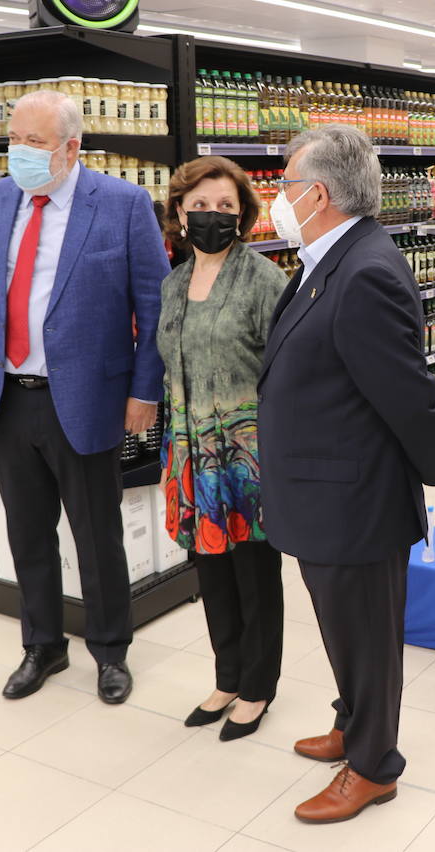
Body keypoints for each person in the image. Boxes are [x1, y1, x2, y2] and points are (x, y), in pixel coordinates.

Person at [257, 125, 435, 823]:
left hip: (356, 499)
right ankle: (351, 719)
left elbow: (407, 393)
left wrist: (423, 473)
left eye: (283, 184)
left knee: (366, 634)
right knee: (341, 627)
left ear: (317, 193)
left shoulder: (366, 270)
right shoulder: (325, 256)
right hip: (321, 491)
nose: (276, 197)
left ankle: (373, 766)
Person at [0, 91, 168, 704]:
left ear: (71, 148)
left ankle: (110, 651)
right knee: (27, 532)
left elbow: (153, 309)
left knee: (96, 534)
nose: (19, 152)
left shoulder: (123, 205)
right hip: (10, 396)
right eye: (14, 139)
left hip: (84, 397)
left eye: (35, 142)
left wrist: (144, 392)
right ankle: (42, 645)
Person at [157, 156, 287, 742]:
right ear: (180, 211)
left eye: (226, 207)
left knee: (255, 572)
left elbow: (287, 369)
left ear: (244, 216)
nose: (212, 215)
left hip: (249, 456)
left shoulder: (263, 280)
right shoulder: (174, 283)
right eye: (201, 206)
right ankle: (226, 675)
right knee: (211, 570)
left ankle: (258, 687)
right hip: (191, 454)